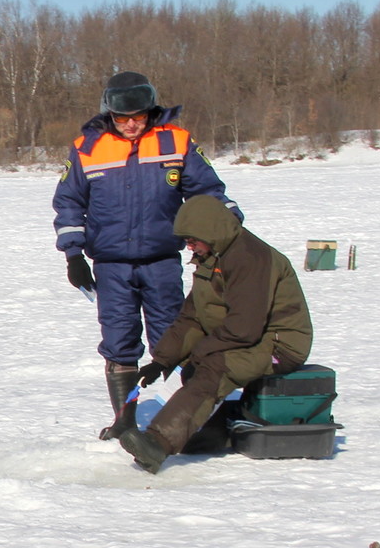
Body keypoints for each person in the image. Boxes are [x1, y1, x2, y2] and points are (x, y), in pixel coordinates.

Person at [53, 71, 241, 440]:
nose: (131, 125)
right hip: (111, 265)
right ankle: (125, 420)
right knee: (119, 341)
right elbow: (69, 203)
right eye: (123, 118)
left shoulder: (176, 141)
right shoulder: (86, 148)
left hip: (161, 262)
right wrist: (73, 256)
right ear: (109, 114)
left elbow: (207, 193)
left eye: (139, 116)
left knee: (175, 340)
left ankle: (193, 420)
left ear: (151, 110)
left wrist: (227, 227)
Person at [117, 196, 312, 475]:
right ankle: (206, 436)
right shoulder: (213, 258)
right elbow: (193, 317)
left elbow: (245, 327)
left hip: (280, 344)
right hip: (250, 337)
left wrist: (201, 354)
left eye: (192, 240)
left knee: (215, 368)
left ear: (211, 231)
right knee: (196, 369)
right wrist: (162, 360)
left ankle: (157, 444)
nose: (189, 247)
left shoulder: (249, 258)